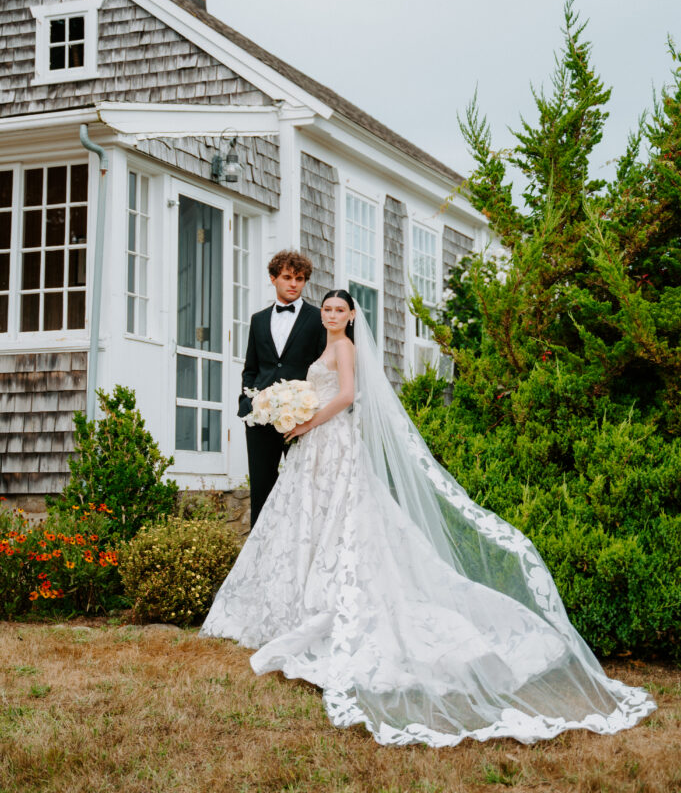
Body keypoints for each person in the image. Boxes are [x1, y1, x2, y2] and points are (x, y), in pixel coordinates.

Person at [202, 290, 656, 747]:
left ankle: (327, 601)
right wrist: (288, 410)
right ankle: (290, 602)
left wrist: (304, 422)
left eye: (340, 310)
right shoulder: (324, 345)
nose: (333, 314)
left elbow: (345, 396)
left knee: (342, 520)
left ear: (352, 315)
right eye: (328, 309)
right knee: (307, 522)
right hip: (315, 448)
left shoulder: (345, 347)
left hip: (331, 440)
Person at [237, 250, 326, 528]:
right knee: (261, 489)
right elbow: (251, 367)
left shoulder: (317, 318)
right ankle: (258, 558)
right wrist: (246, 403)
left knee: (303, 487)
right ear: (273, 278)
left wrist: (312, 410)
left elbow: (323, 367)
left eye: (299, 279)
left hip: (301, 420)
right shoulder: (258, 319)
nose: (293, 284)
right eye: (287, 278)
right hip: (261, 418)